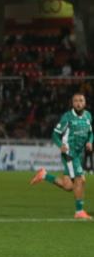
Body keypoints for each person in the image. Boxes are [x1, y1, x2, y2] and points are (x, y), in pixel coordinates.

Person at [30, 92, 93, 220]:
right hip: (69, 153)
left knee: (69, 186)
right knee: (80, 180)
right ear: (72, 103)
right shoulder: (67, 117)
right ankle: (79, 212)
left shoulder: (88, 116)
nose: (78, 103)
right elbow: (55, 134)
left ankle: (44, 175)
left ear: (85, 103)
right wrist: (60, 146)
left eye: (81, 100)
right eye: (76, 101)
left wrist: (90, 142)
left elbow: (91, 132)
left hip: (79, 154)